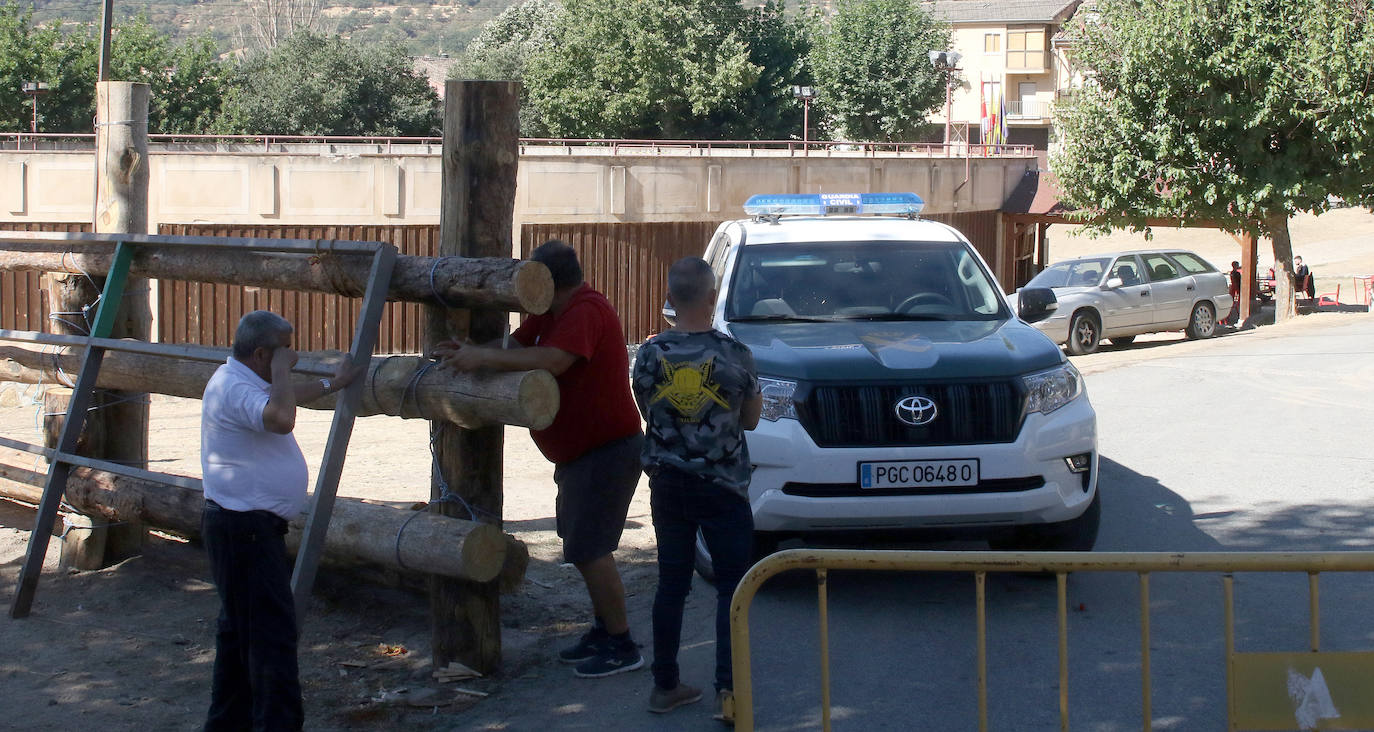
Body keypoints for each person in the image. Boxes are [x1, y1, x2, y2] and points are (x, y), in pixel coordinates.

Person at [435, 240, 645, 678]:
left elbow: (553, 360)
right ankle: (605, 630)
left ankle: (622, 644)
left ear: (548, 282)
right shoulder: (549, 314)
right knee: (582, 546)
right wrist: (470, 351)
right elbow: (514, 345)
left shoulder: (586, 309)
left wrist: (482, 357)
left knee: (592, 550)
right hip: (582, 456)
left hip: (607, 452)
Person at [201, 310, 361, 731]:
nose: (292, 354)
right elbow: (282, 416)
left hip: (246, 528)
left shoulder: (246, 380)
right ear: (261, 353)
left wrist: (334, 383)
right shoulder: (232, 386)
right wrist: (281, 370)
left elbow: (284, 397)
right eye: (284, 348)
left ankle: (227, 723)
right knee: (271, 637)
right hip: (244, 530)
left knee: (239, 634)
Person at [631, 257, 762, 723]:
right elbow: (750, 420)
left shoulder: (648, 355)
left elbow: (649, 410)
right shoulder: (736, 355)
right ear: (712, 298)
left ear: (669, 300)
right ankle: (730, 691)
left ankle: (664, 685)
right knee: (733, 587)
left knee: (671, 585)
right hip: (723, 487)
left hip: (669, 486)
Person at [1224, 260, 1242, 326]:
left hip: (1234, 288)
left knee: (1233, 302)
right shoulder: (1236, 273)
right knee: (1235, 303)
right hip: (1236, 288)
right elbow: (1236, 283)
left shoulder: (1233, 273)